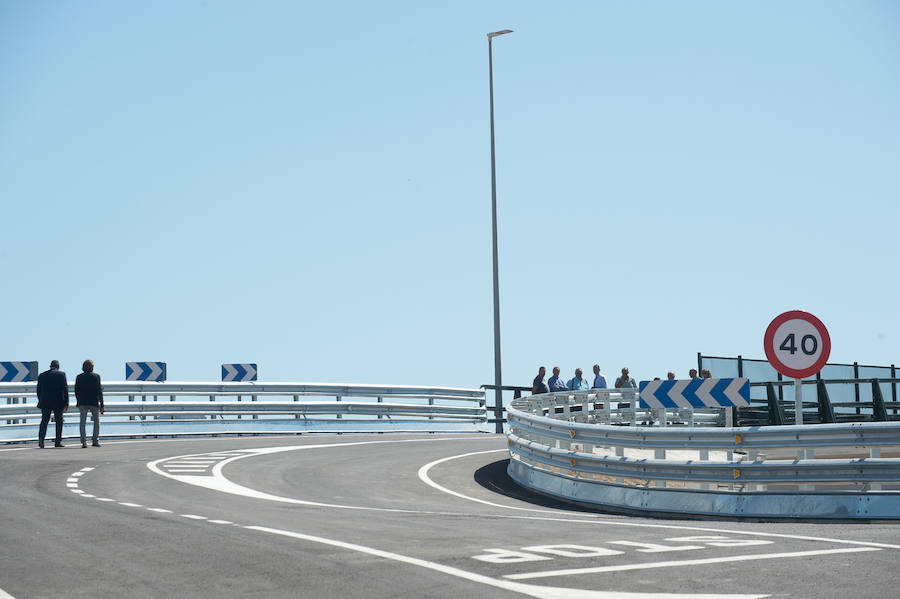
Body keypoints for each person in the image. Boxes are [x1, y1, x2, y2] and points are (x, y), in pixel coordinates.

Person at [37, 360, 69, 448]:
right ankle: (57, 442)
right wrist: (66, 403)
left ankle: (41, 440)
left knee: (44, 421)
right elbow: (65, 389)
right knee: (59, 422)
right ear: (58, 366)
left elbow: (38, 390)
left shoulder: (42, 375)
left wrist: (40, 400)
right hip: (58, 402)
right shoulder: (61, 375)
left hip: (45, 401)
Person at [75, 359, 104, 448]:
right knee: (96, 421)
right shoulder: (96, 376)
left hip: (82, 402)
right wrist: (102, 404)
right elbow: (99, 391)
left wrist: (79, 401)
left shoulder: (79, 377)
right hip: (93, 402)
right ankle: (95, 440)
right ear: (91, 367)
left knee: (82, 422)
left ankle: (84, 442)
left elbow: (76, 391)